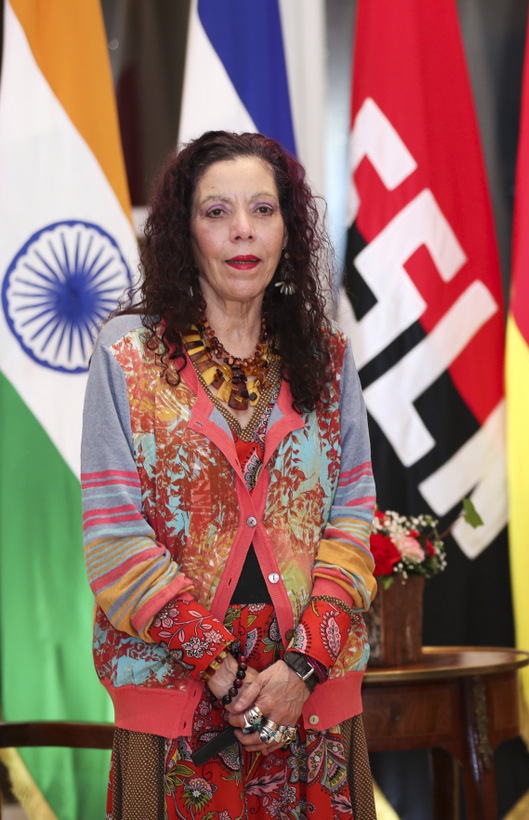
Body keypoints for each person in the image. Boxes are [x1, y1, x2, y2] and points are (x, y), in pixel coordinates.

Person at [82, 131, 378, 819]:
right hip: (172, 694)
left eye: (263, 210)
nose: (243, 229)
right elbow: (115, 540)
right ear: (184, 235)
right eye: (217, 212)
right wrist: (222, 668)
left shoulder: (327, 357)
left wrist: (301, 667)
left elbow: (353, 522)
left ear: (288, 232)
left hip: (312, 696)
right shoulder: (126, 356)